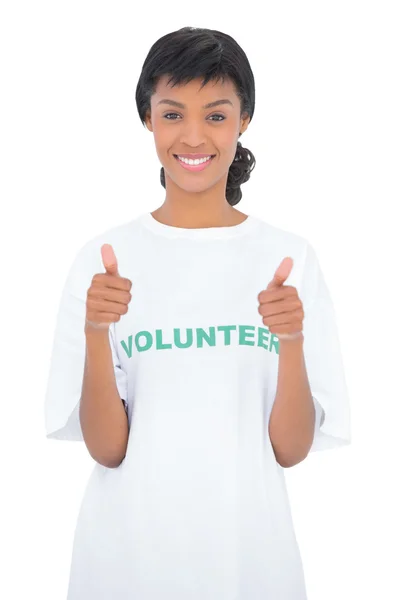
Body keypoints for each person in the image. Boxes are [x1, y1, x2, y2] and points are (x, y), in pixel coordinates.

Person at [44, 26, 351, 600]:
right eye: (171, 114)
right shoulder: (103, 260)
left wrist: (290, 340)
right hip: (124, 564)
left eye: (215, 115)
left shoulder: (288, 258)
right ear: (147, 120)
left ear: (244, 120)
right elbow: (107, 449)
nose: (192, 136)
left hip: (251, 564)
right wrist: (94, 330)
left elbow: (291, 449)